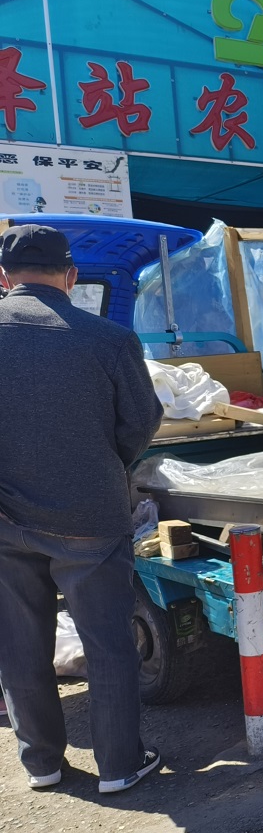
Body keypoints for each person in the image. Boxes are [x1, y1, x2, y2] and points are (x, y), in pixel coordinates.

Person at [0, 224, 164, 793]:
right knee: (108, 644)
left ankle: (42, 764)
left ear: (3, 278)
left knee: (19, 645)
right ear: (71, 276)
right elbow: (140, 424)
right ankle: (120, 766)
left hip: (5, 521)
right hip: (89, 518)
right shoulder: (109, 339)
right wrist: (101, 463)